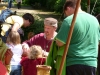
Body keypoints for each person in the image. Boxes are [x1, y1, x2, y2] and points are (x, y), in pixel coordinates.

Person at [46, 0, 100, 75]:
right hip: (91, 64)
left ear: (68, 8)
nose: (66, 15)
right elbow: (97, 42)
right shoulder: (95, 20)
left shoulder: (69, 20)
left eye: (65, 13)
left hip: (74, 63)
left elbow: (60, 42)